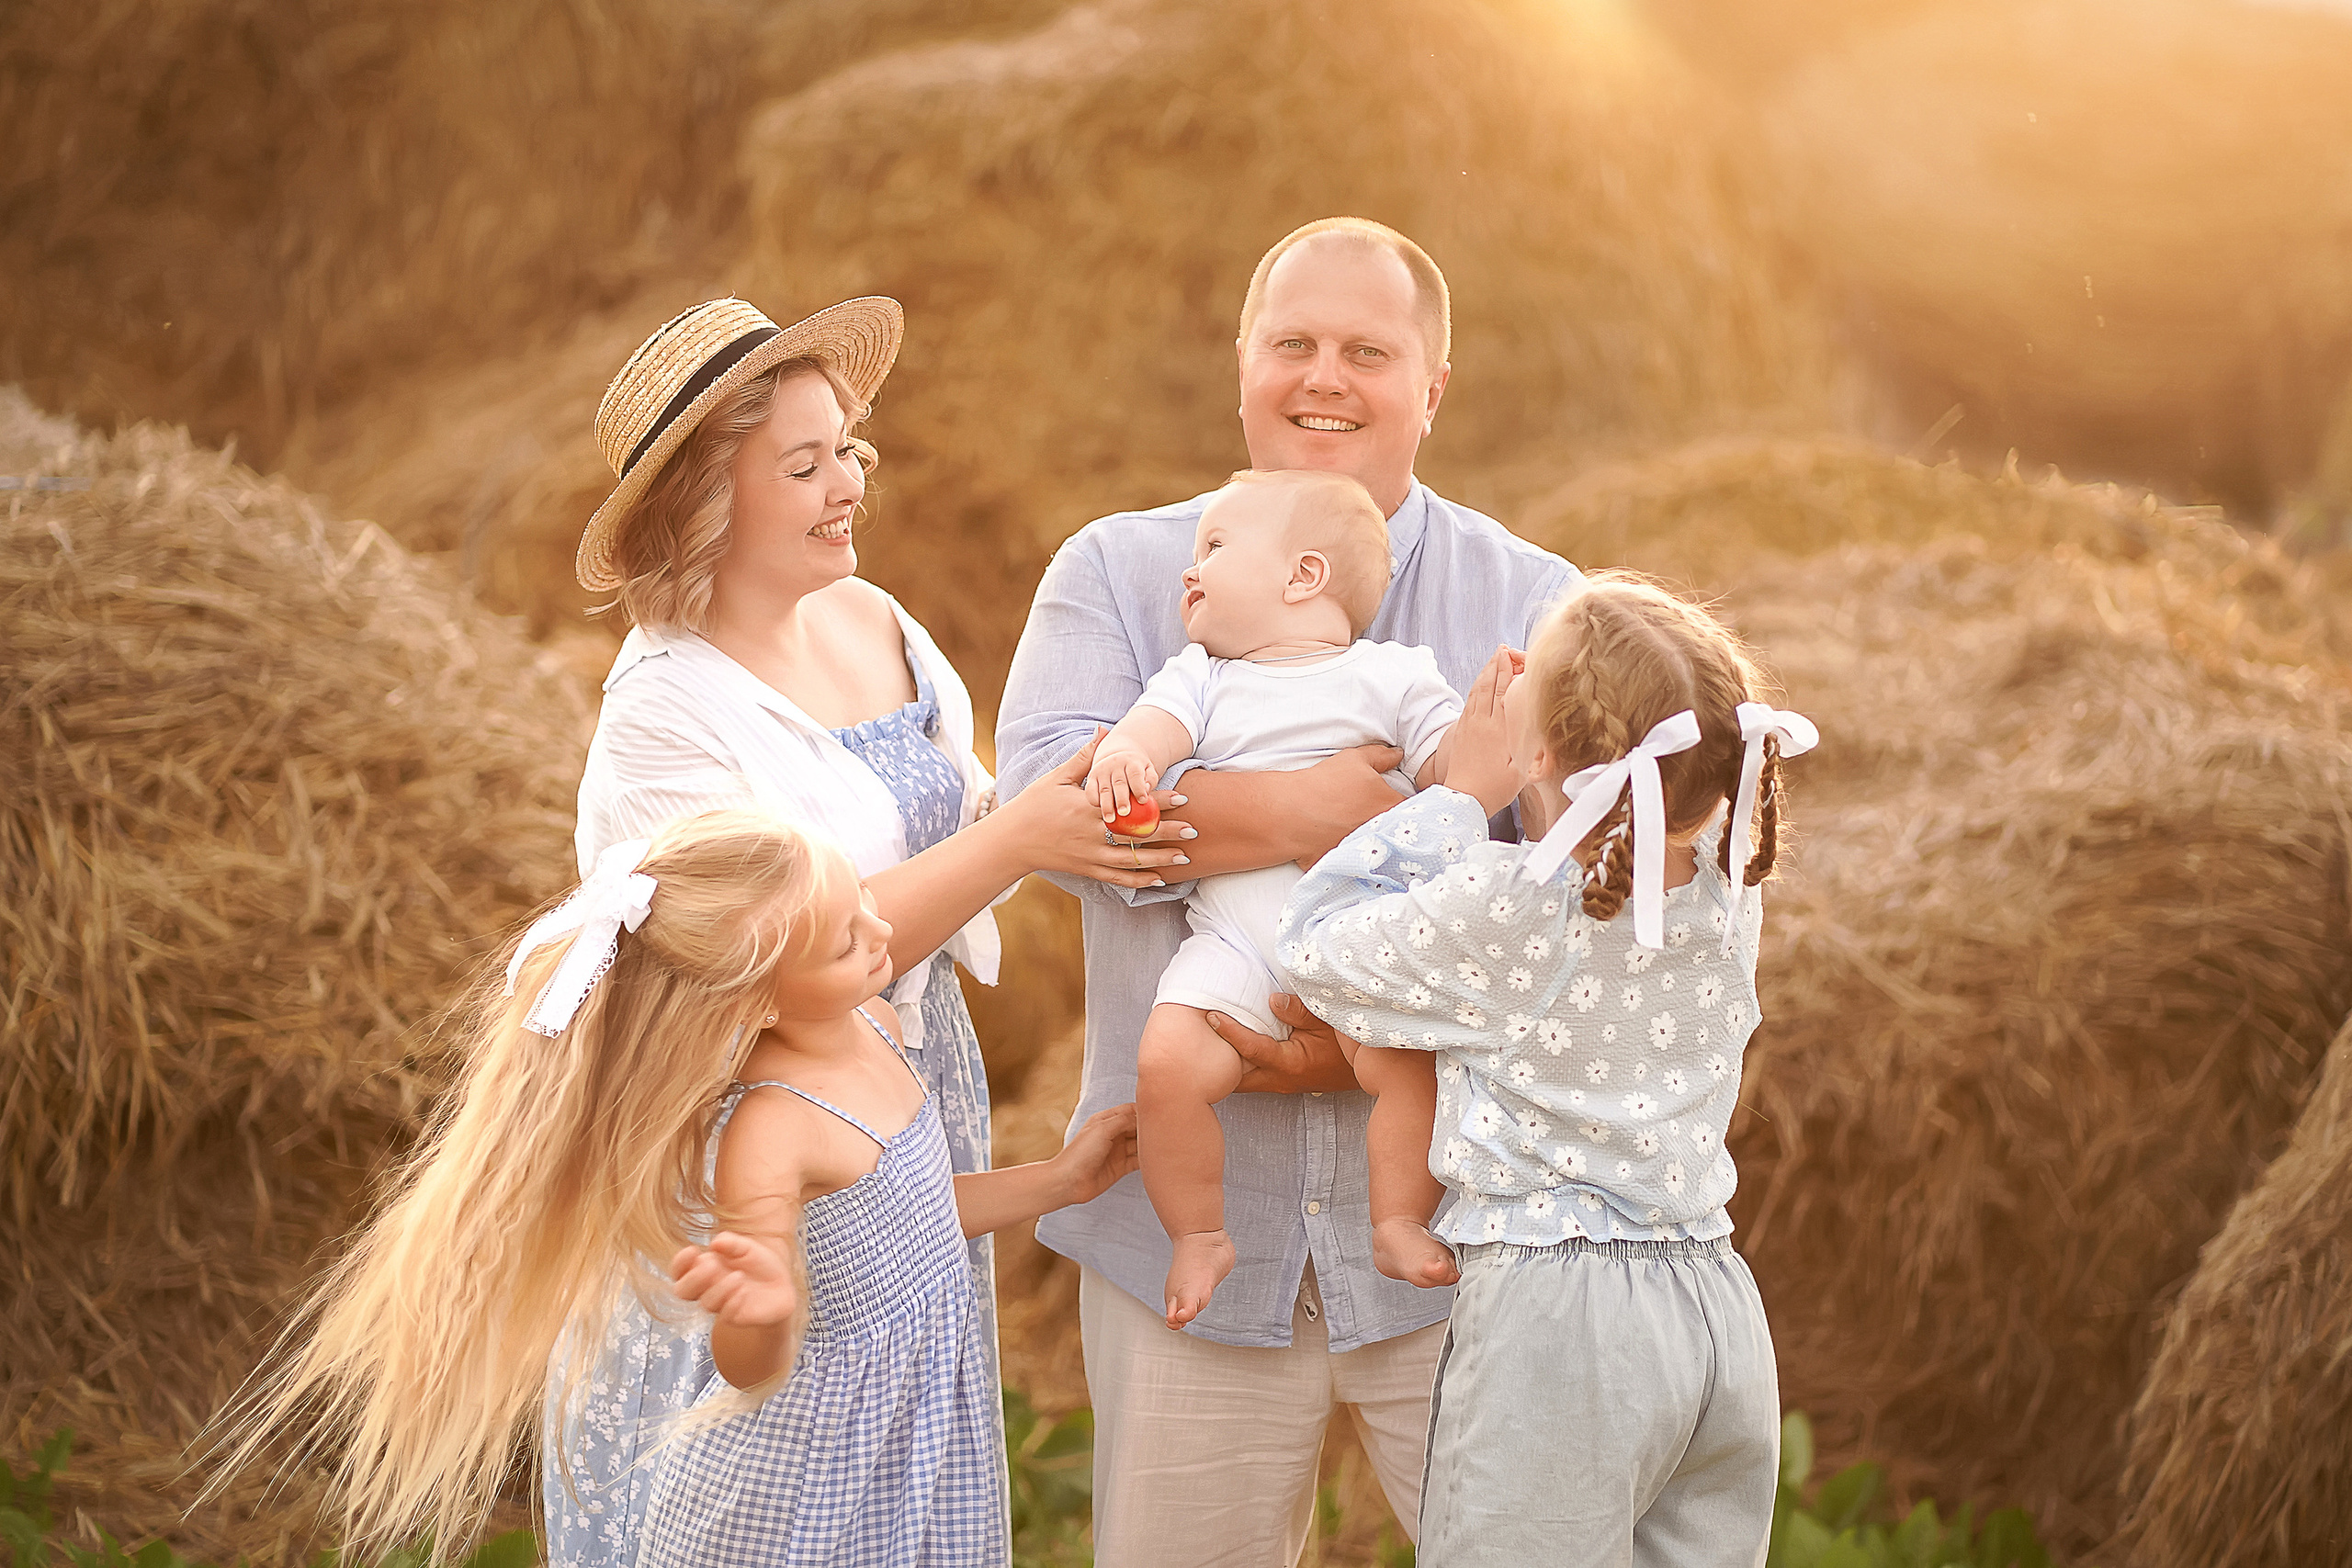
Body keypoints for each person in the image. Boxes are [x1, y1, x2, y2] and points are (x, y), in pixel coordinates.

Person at [552, 297, 1189, 1564]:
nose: (848, 483)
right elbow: (776, 954)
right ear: (704, 503)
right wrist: (1020, 841)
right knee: (792, 1468)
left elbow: (965, 808)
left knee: (906, 1442)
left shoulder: (875, 617)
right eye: (803, 465)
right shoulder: (662, 718)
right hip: (772, 1107)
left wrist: (1102, 789)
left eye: (848, 448)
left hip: (910, 1073)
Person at [996, 217, 1578, 1562]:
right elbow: (1048, 815)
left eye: (1368, 351)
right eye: (1292, 343)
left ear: (1433, 386)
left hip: (1466, 1235)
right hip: (1185, 1254)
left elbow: (1573, 887)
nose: (1324, 376)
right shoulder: (1122, 574)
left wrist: (1219, 831)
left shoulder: (1535, 599)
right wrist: (1323, 811)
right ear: (1243, 363)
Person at [215, 809, 1139, 1568]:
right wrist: (762, 1309)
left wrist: (1057, 1181)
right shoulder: (771, 1128)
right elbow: (748, 1365)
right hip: (805, 1488)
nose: (881, 933)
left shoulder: (874, 1024)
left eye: (860, 900)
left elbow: (915, 1224)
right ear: (756, 1001)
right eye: (842, 941)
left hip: (914, 1436)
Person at [1278, 573, 1818, 1566]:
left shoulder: (1515, 908)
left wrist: (1457, 797)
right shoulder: (1728, 893)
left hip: (1560, 1323)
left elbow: (1313, 947)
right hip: (1713, 1308)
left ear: (1540, 750)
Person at [1085, 467, 1507, 1327]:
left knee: (1406, 1070)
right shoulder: (1200, 676)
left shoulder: (1393, 674)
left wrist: (1490, 726)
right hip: (1233, 941)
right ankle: (1199, 1232)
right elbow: (1149, 731)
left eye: (1214, 546)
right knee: (1166, 1066)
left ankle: (1396, 1219)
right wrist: (1123, 757)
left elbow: (1450, 771)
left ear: (1303, 575)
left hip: (1362, 932)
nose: (1189, 568)